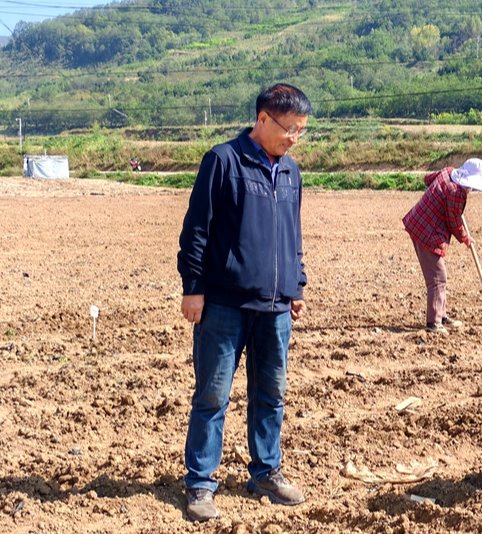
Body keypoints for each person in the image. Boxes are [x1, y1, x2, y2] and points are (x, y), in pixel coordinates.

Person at [177, 83, 311, 522]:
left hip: (275, 307)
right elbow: (197, 230)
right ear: (263, 119)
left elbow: (293, 234)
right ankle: (200, 483)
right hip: (224, 304)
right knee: (213, 395)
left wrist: (296, 285)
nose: (294, 138)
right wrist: (193, 287)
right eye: (289, 128)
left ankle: (266, 472)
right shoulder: (223, 161)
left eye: (301, 130)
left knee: (271, 393)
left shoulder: (290, 172)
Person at [402, 158, 482, 334]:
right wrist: (465, 238)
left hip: (420, 223)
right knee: (437, 277)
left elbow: (428, 179)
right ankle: (434, 323)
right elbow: (453, 221)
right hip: (427, 232)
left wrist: (437, 195)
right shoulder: (456, 192)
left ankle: (441, 316)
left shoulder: (448, 172)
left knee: (439, 276)